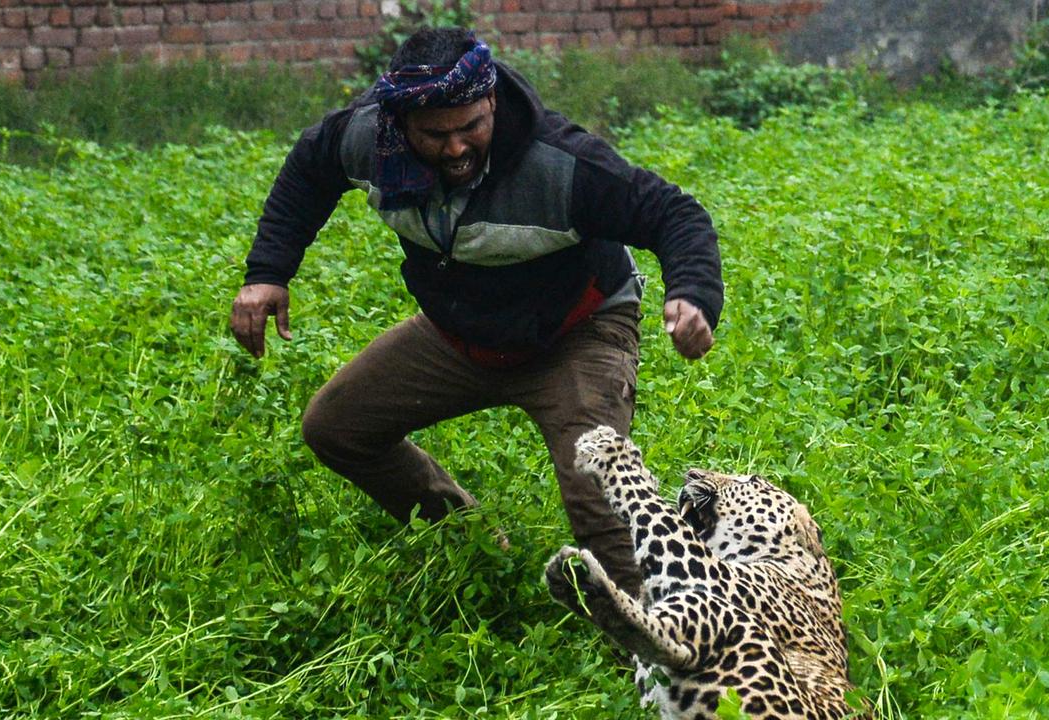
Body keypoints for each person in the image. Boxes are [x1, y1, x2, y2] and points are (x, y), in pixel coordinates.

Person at [230, 27, 722, 597]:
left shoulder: (559, 164)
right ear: (400, 123)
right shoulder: (368, 139)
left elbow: (674, 214)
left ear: (491, 101)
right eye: (436, 135)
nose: (458, 147)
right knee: (336, 428)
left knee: (598, 494)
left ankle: (669, 637)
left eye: (472, 126)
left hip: (576, 332)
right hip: (458, 336)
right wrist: (268, 272)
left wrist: (691, 292)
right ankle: (475, 542)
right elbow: (309, 169)